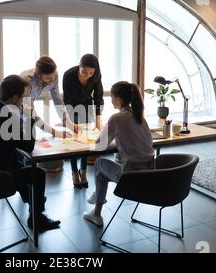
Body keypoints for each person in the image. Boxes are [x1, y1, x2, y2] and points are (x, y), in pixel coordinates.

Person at [0, 75, 61, 232]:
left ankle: (33, 200)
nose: (24, 101)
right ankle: (36, 217)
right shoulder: (6, 120)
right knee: (38, 174)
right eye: (23, 97)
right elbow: (29, 146)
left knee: (18, 161)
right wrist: (29, 118)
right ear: (14, 98)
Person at [83, 81, 155, 227]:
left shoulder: (117, 118)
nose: (110, 100)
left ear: (119, 99)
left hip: (131, 180)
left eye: (112, 97)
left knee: (99, 164)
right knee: (103, 167)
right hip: (151, 177)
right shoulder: (140, 116)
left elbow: (99, 146)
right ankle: (97, 198)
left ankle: (96, 212)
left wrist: (87, 141)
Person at [63, 54, 104, 188]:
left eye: (91, 73)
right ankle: (74, 172)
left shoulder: (96, 76)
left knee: (86, 139)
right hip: (72, 107)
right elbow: (67, 100)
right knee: (75, 139)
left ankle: (84, 170)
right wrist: (70, 120)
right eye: (84, 71)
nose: (87, 75)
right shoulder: (68, 75)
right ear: (79, 66)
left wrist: (98, 119)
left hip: (86, 106)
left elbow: (98, 97)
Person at [20, 56, 75, 137]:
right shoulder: (27, 81)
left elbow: (57, 100)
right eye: (49, 78)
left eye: (54, 77)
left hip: (27, 111)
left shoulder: (54, 75)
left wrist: (69, 123)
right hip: (14, 112)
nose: (53, 81)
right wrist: (54, 132)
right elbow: (29, 113)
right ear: (39, 76)